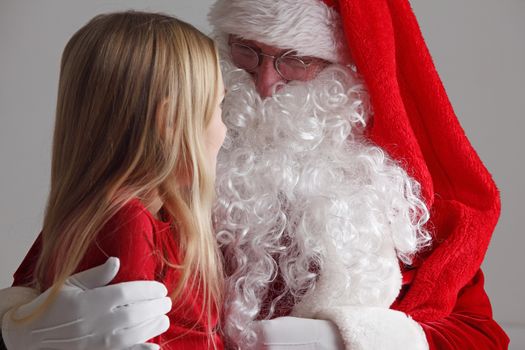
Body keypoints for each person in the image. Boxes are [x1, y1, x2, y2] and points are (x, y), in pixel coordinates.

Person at [0, 1, 511, 349]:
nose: (265, 82)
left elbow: (482, 335)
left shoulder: (394, 195)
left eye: (294, 60)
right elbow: (57, 260)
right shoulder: (171, 165)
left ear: (346, 66)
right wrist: (17, 328)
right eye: (247, 51)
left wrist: (348, 338)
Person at [0, 11, 227, 350]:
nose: (225, 129)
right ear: (170, 122)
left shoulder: (146, 218)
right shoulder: (126, 221)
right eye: (220, 107)